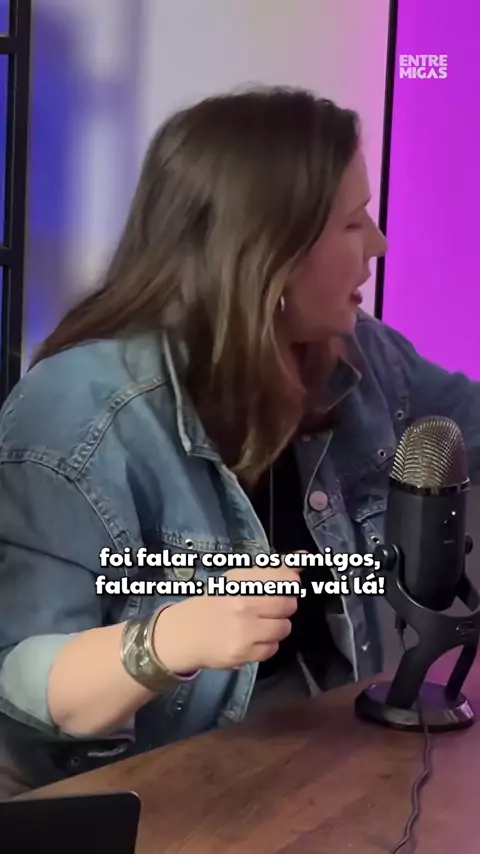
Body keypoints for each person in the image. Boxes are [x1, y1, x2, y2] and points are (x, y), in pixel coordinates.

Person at [1, 86, 480, 796]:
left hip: (337, 760)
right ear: (269, 253)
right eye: (354, 223)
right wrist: (169, 641)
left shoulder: (366, 359)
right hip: (172, 798)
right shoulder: (78, 415)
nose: (379, 245)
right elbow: (16, 679)